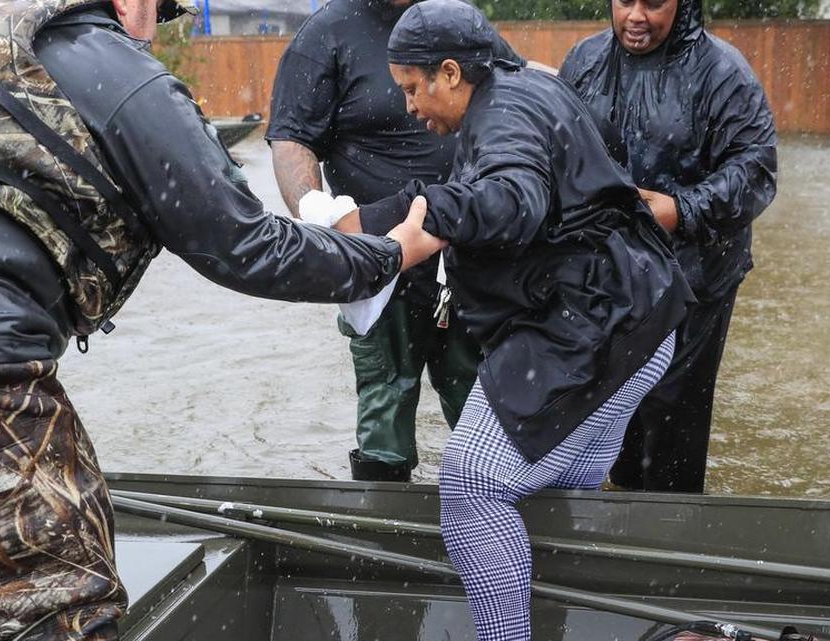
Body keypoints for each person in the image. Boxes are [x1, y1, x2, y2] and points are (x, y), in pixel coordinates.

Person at [0, 1, 441, 639]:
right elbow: (246, 247)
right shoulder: (110, 63)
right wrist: (388, 253)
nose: (156, 31)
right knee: (67, 608)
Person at [333, 1, 693, 638]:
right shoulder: (520, 87)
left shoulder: (505, 118)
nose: (411, 107)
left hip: (594, 326)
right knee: (563, 490)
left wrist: (428, 230)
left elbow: (510, 200)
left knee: (472, 481)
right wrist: (349, 224)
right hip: (639, 317)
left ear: (449, 73)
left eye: (413, 90)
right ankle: (568, 623)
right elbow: (473, 182)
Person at [266, 0, 523, 482]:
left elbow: (516, 92)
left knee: (487, 405)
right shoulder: (325, 35)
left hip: (472, 255)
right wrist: (317, 217)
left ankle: (492, 510)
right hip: (381, 260)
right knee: (386, 408)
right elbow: (291, 141)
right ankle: (383, 537)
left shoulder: (455, 21)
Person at [559, 0, 778, 493]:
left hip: (696, 274)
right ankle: (621, 512)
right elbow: (558, 151)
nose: (636, 15)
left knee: (674, 410)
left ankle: (673, 522)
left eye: (654, 3)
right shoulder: (584, 62)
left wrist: (681, 210)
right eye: (624, 1)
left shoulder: (723, 74)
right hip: (608, 271)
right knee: (610, 403)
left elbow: (755, 172)